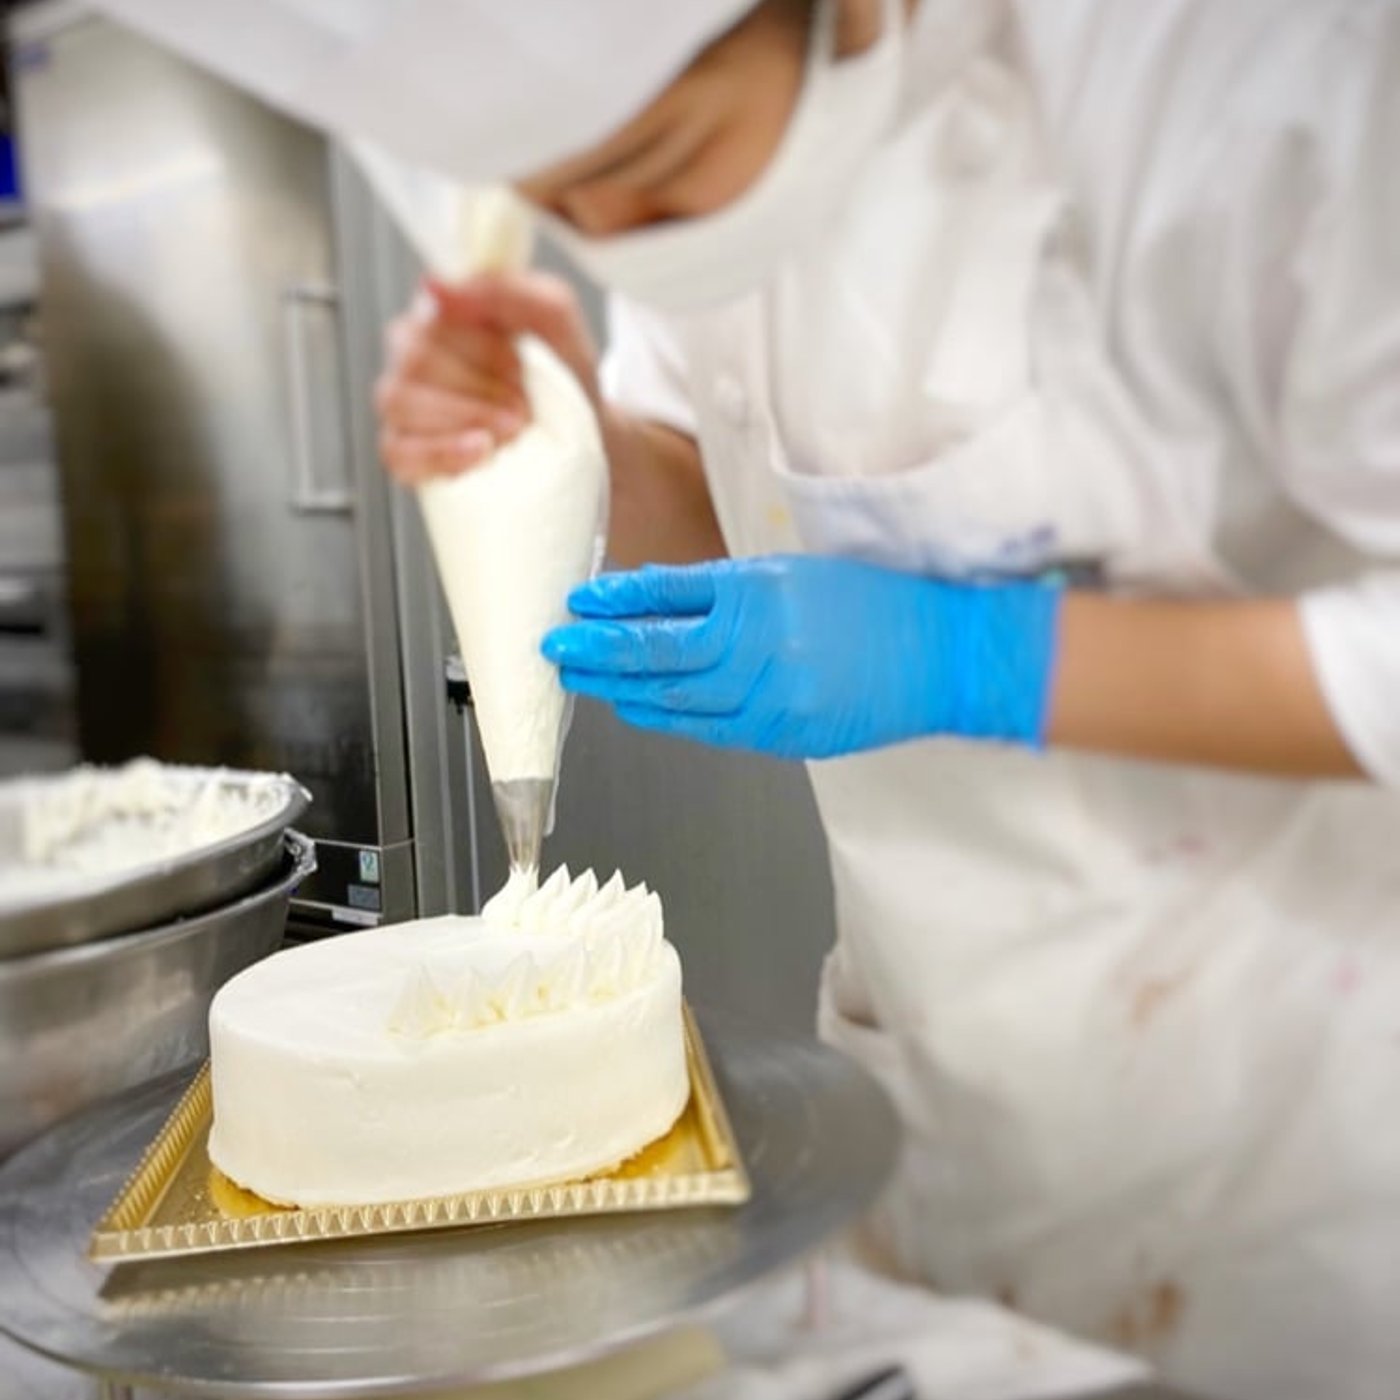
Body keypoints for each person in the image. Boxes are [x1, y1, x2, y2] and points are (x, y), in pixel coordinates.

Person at [96, 2, 1400, 1397]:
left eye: (657, 161)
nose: (618, 230)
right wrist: (568, 441)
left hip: (1280, 1109)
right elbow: (713, 495)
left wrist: (972, 657)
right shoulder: (685, 210)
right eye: (559, 201)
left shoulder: (1261, 72)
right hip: (943, 1057)